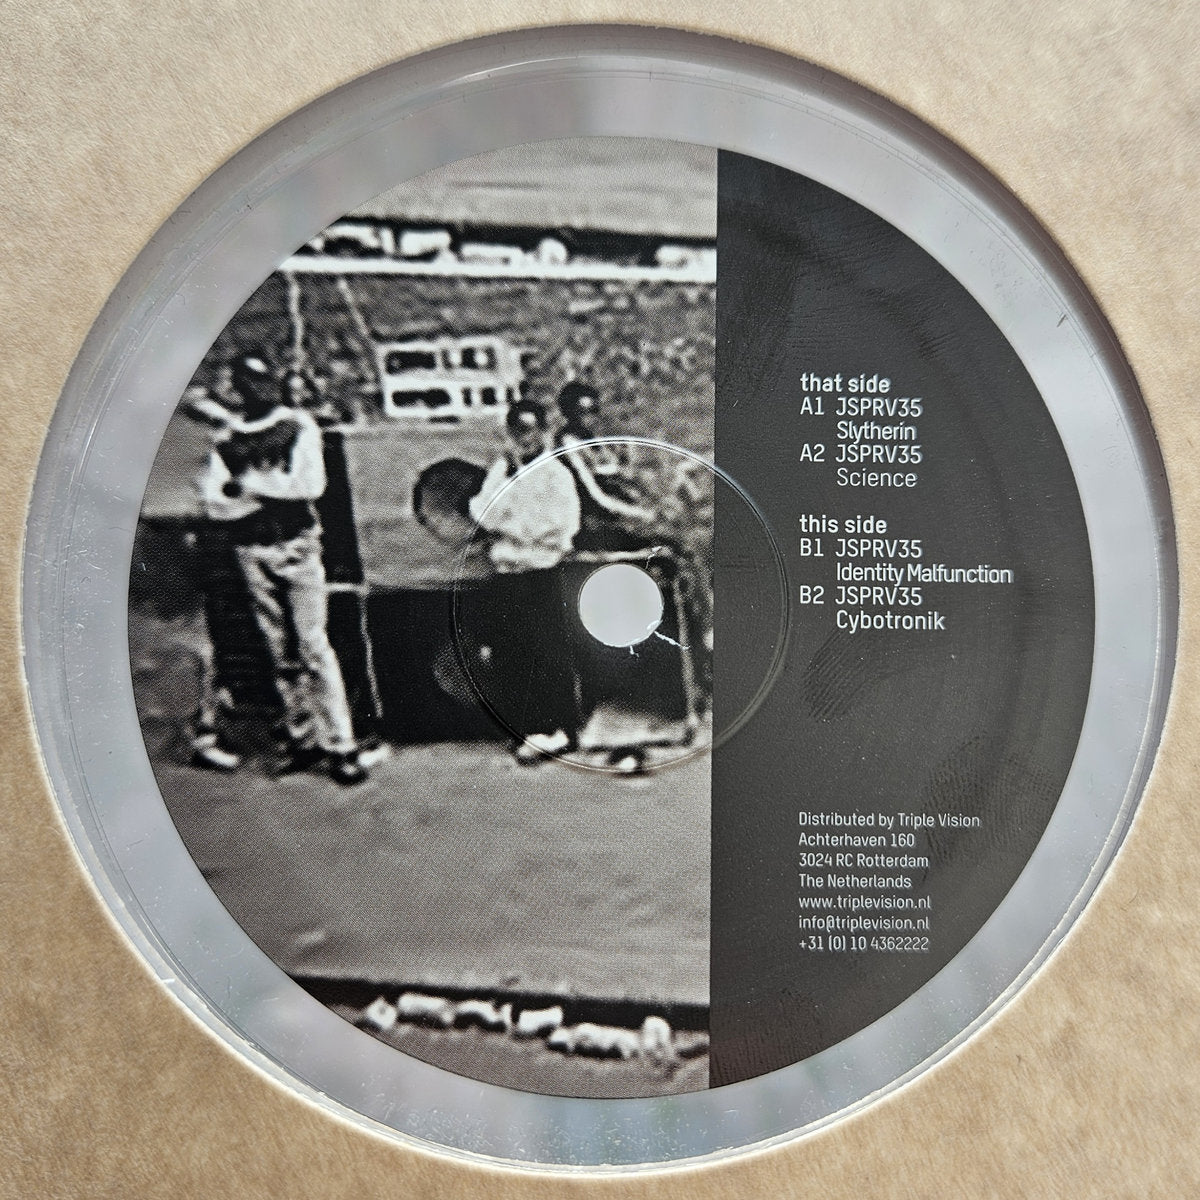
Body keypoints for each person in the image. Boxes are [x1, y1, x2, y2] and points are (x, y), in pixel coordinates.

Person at [195, 354, 369, 785]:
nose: (257, 390)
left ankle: (341, 744)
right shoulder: (229, 435)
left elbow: (309, 486)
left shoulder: (298, 425)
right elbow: (216, 504)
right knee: (278, 649)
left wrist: (247, 486)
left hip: (298, 546)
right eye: (247, 382)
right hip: (251, 549)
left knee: (313, 645)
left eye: (262, 380)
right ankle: (302, 737)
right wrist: (272, 489)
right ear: (237, 388)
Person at [465, 400, 581, 762]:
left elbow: (558, 527)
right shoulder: (502, 469)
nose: (522, 438)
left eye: (529, 430)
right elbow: (481, 512)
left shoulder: (557, 474)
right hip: (507, 574)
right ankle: (530, 727)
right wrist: (511, 517)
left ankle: (560, 729)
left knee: (548, 652)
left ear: (543, 431)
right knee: (513, 652)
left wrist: (511, 528)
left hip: (541, 573)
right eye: (516, 430)